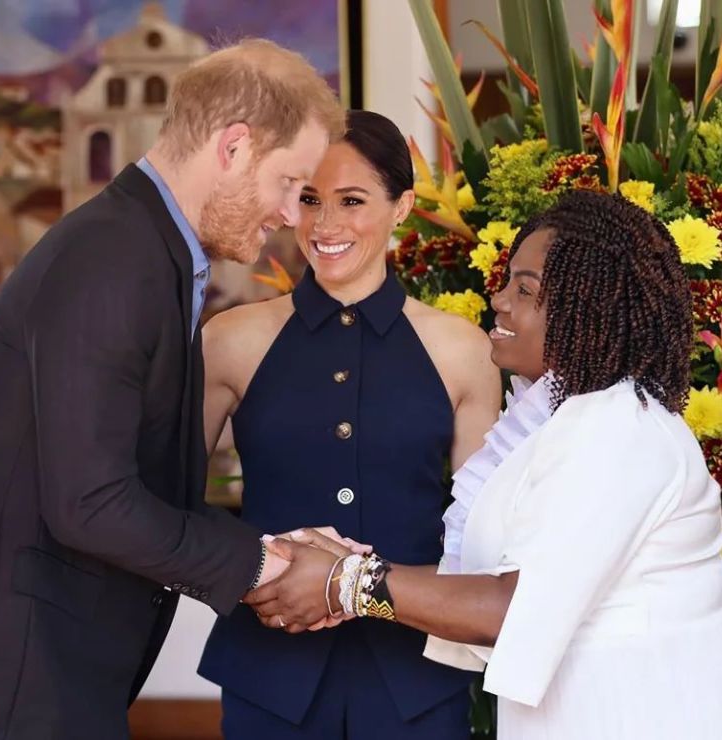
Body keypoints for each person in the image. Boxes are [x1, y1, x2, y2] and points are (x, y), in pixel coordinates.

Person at [0, 39, 346, 740]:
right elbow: (89, 503)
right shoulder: (115, 262)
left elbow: (100, 462)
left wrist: (266, 546)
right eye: (289, 183)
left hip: (25, 656)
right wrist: (256, 562)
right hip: (13, 669)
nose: (289, 214)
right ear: (236, 147)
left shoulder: (142, 249)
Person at [250, 190, 722, 739]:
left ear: (590, 306)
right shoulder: (565, 418)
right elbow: (498, 583)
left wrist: (347, 582)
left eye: (526, 289)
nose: (500, 300)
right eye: (509, 281)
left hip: (649, 709)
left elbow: (512, 607)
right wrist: (343, 569)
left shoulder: (617, 430)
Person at [196, 110, 502, 738]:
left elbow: (481, 539)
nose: (325, 224)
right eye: (309, 198)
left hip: (415, 678)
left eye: (352, 200)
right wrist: (256, 569)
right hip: (268, 670)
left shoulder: (463, 349)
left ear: (403, 206)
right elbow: (161, 497)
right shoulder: (230, 340)